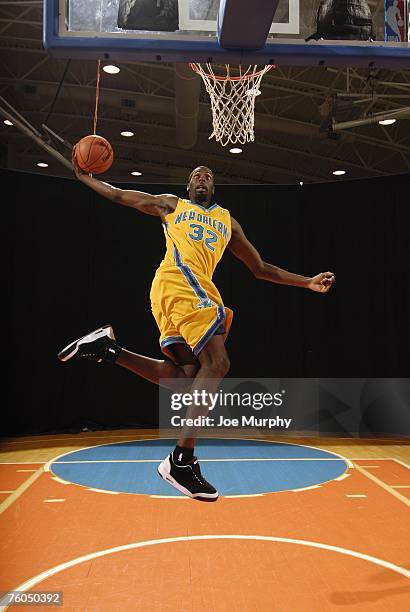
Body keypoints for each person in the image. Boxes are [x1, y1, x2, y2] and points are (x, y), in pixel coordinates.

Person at [58, 162, 335, 502]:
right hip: (182, 284)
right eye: (195, 176)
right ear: (188, 186)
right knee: (218, 363)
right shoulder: (172, 205)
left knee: (188, 380)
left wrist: (305, 281)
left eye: (208, 176)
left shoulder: (227, 222)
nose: (202, 178)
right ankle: (181, 460)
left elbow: (260, 268)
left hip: (175, 295)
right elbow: (119, 195)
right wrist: (86, 177)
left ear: (213, 188)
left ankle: (109, 351)